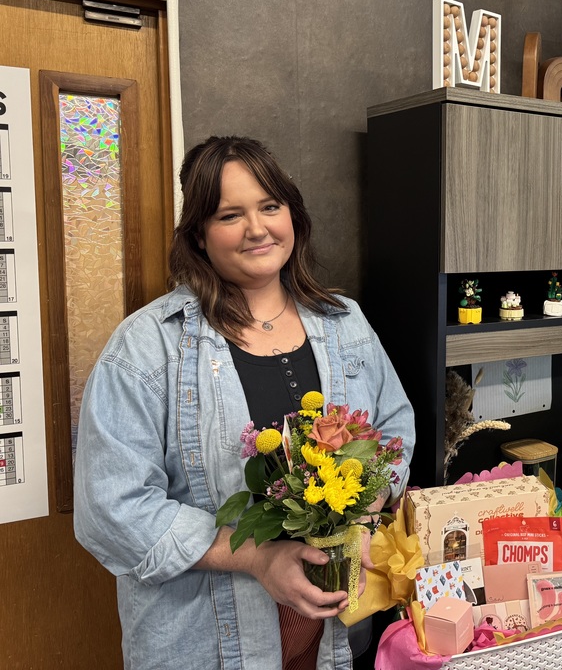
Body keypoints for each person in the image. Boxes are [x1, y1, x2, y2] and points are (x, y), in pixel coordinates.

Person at [74, 136, 415, 670]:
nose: (257, 229)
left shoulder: (344, 322)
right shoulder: (147, 346)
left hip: (333, 639)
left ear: (293, 216)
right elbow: (111, 509)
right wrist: (258, 558)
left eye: (270, 206)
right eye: (230, 214)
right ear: (199, 236)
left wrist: (366, 512)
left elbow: (393, 427)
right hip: (206, 644)